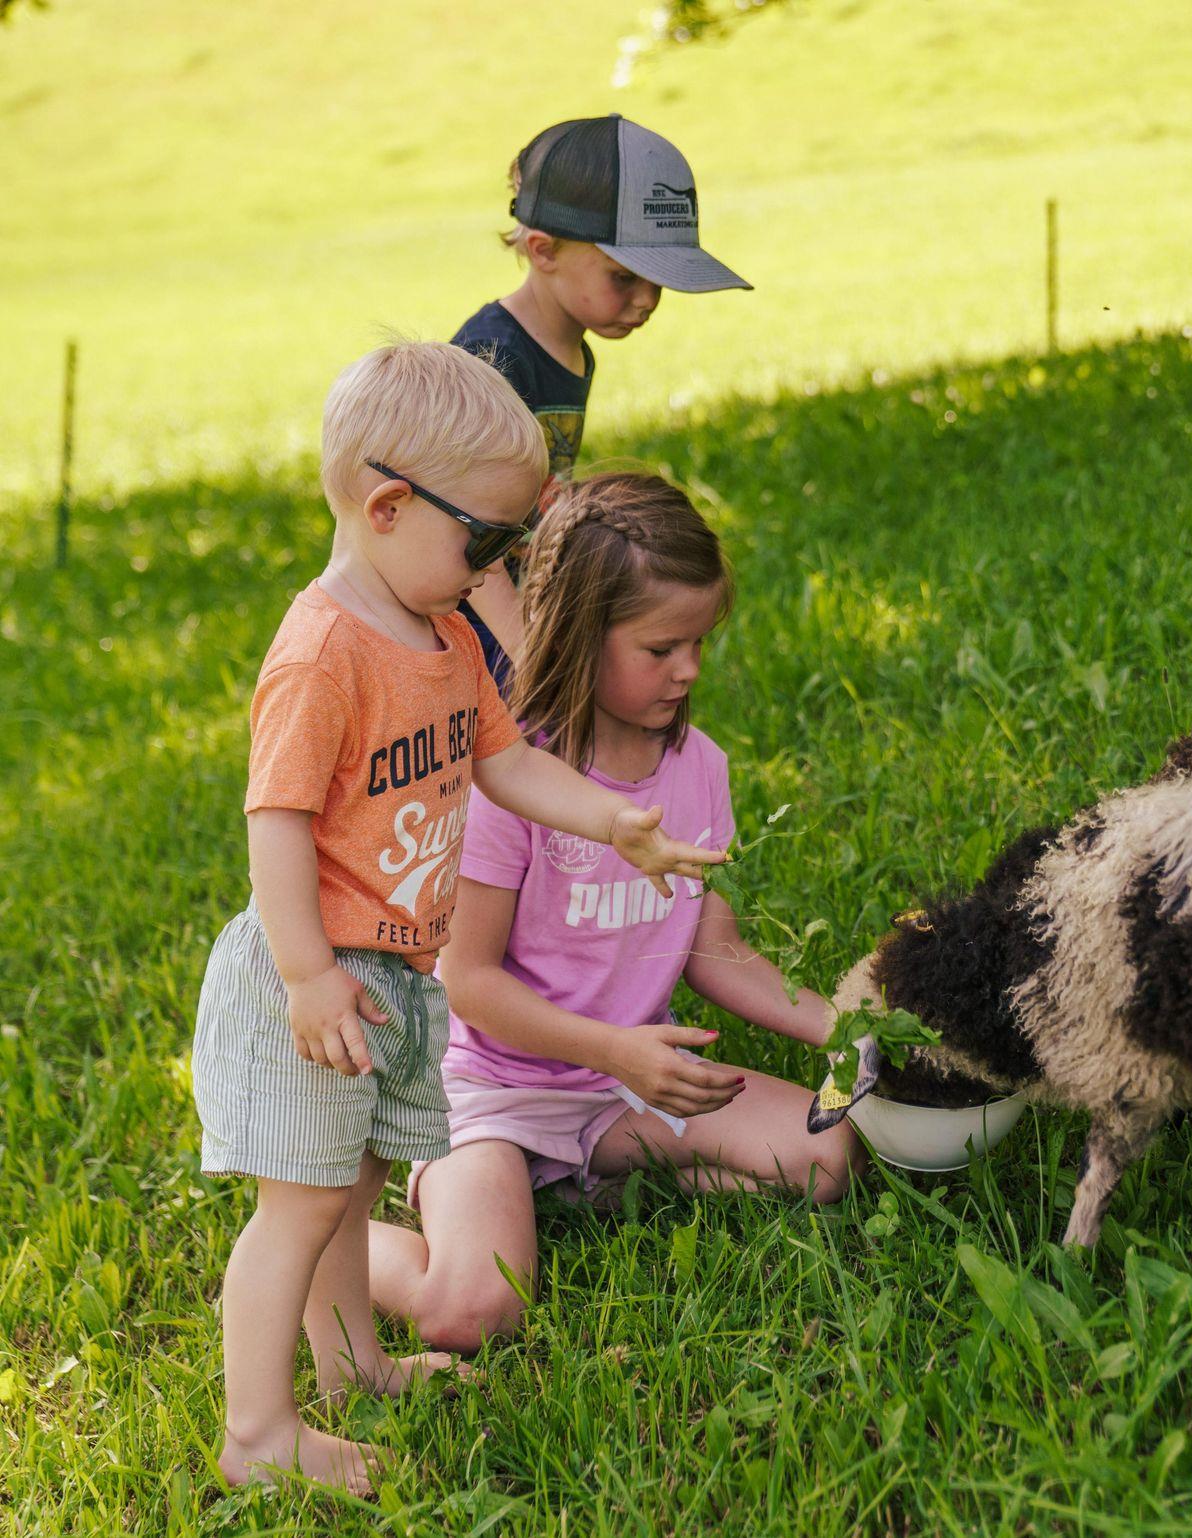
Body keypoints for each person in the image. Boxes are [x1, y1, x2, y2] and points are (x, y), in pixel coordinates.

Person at [190, 343, 726, 1494]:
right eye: (486, 545)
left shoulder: (440, 639)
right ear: (388, 507)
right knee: (301, 1203)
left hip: (391, 971)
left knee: (353, 1188)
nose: (498, 573)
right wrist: (306, 974)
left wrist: (615, 819)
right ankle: (257, 1430)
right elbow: (275, 820)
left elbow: (506, 763)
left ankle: (352, 1370)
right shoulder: (323, 651)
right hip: (317, 973)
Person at [367, 472, 861, 1354]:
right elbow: (468, 982)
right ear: (578, 636)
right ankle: (320, 1248)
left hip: (625, 1090)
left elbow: (714, 946)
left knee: (826, 1159)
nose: (690, 669)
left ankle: (583, 1181)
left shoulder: (700, 767)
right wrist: (613, 1049)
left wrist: (841, 1028)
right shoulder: (513, 779)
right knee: (473, 1312)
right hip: (496, 1092)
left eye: (700, 642)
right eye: (661, 647)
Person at [453, 114, 751, 694]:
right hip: (472, 623)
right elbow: (463, 534)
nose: (647, 301)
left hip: (523, 606)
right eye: (624, 278)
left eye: (657, 281)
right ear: (544, 251)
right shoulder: (493, 359)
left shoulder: (573, 350)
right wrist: (529, 653)